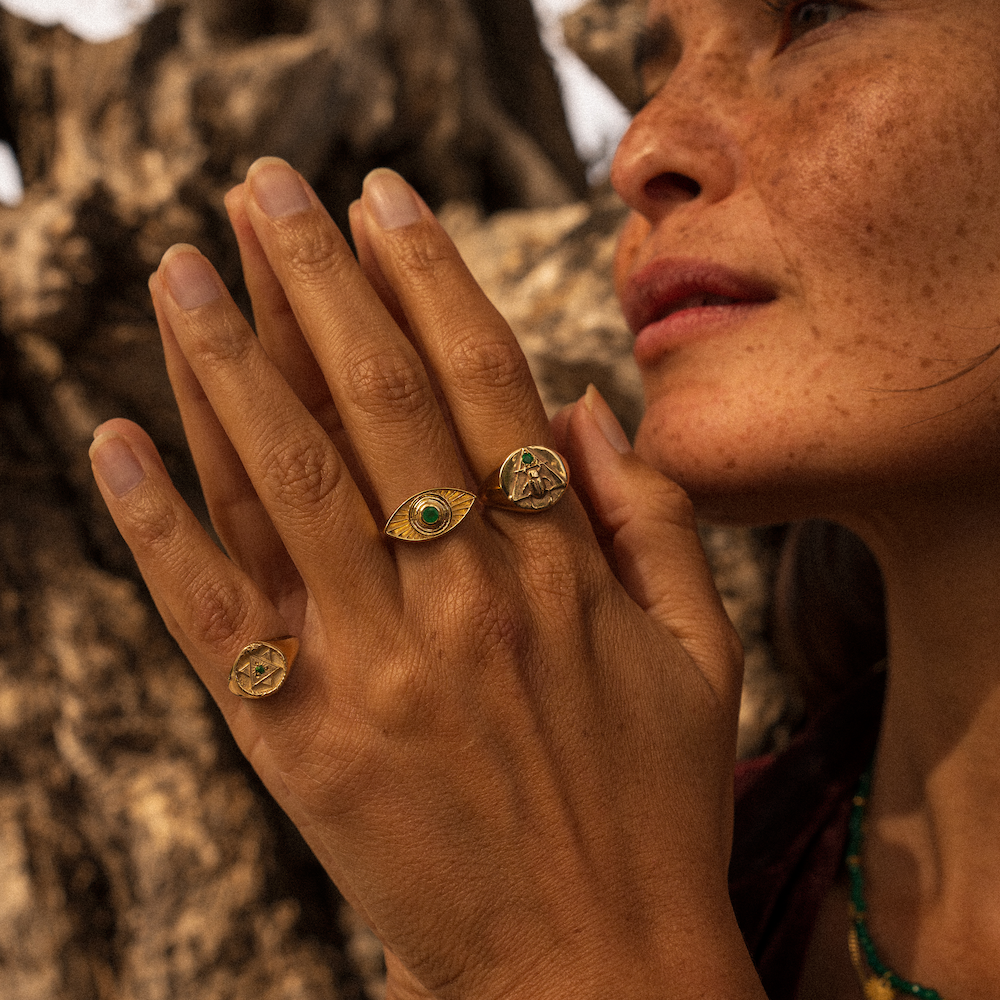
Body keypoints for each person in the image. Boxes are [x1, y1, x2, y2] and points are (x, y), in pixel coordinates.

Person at [86, 0, 1000, 995]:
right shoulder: (704, 858)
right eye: (656, 77)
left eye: (813, 16)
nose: (639, 150)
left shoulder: (602, 893)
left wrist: (578, 956)